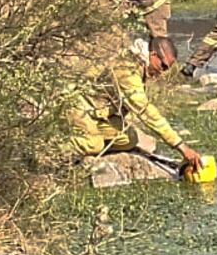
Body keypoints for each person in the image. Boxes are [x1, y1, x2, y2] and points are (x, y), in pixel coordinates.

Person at [68, 37, 203, 172]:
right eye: (163, 66)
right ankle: (60, 149)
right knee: (93, 145)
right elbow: (145, 111)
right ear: (153, 55)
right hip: (78, 106)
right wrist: (181, 147)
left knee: (129, 139)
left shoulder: (140, 65)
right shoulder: (126, 70)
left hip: (99, 113)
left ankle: (89, 138)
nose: (162, 72)